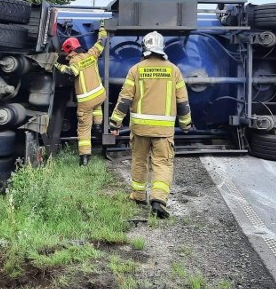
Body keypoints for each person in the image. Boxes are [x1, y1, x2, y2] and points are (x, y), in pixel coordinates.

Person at [109, 31, 192, 218]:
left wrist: (115, 122)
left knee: (139, 160)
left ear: (145, 47)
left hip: (139, 128)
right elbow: (182, 102)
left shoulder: (136, 69)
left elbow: (124, 99)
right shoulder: (174, 70)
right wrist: (186, 125)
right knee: (162, 163)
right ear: (161, 48)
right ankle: (158, 200)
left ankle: (138, 195)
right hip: (163, 130)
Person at [54, 22, 108, 166]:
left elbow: (72, 72)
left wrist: (57, 65)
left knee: (83, 128)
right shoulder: (91, 54)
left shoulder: (75, 60)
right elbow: (101, 41)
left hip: (86, 100)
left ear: (70, 50)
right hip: (100, 95)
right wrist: (102, 28)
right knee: (97, 108)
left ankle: (84, 158)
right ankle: (98, 128)